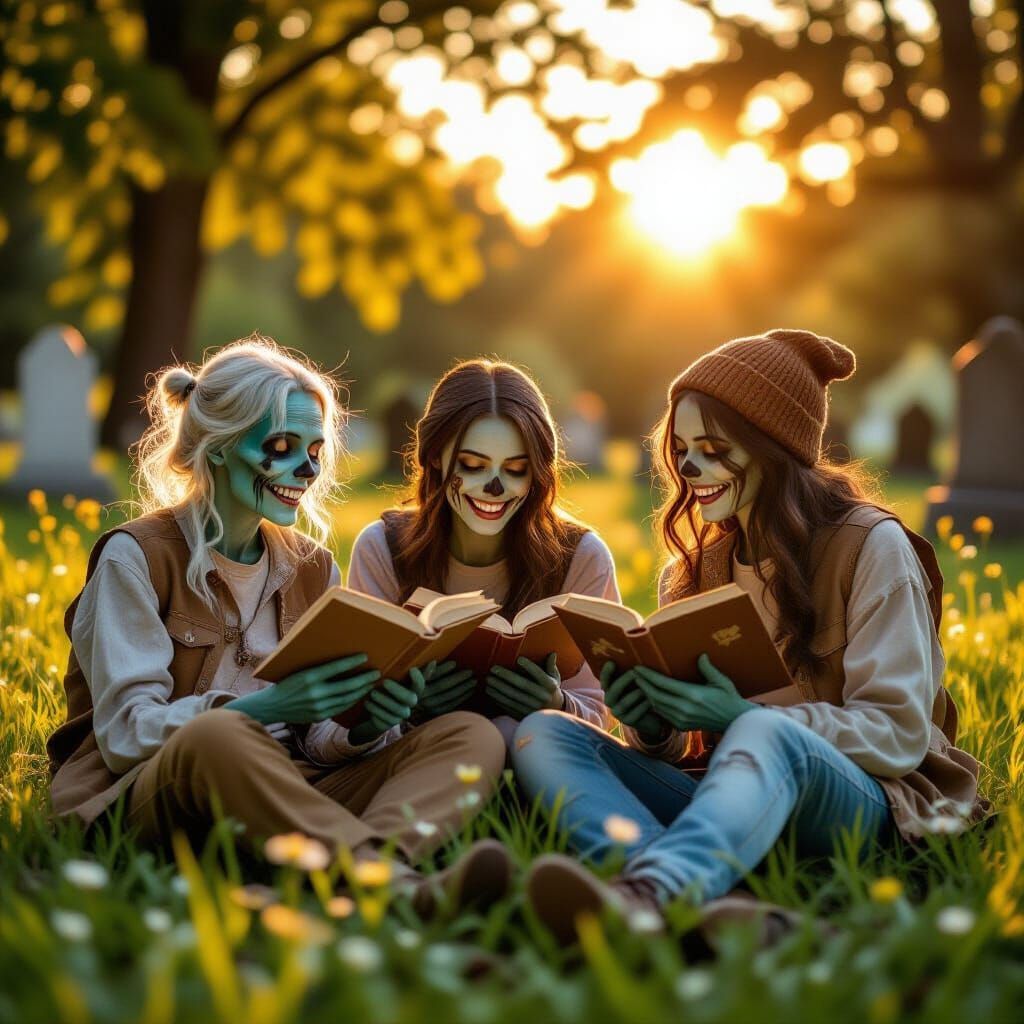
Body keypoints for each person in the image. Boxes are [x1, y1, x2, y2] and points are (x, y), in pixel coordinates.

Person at [511, 328, 987, 943]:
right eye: (680, 448)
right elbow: (685, 749)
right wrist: (653, 728)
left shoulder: (871, 547)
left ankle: (648, 892)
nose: (688, 468)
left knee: (766, 726)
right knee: (543, 732)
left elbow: (898, 732)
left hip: (863, 804)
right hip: (723, 798)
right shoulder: (690, 572)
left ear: (773, 447)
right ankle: (713, 907)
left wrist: (741, 716)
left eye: (711, 448)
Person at [47, 336, 510, 914]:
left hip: (287, 787)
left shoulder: (312, 567)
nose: (307, 470)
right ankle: (386, 884)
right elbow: (124, 737)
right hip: (151, 799)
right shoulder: (135, 556)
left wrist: (366, 723)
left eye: (316, 450)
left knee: (470, 736)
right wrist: (266, 708)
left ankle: (344, 882)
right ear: (217, 447)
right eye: (283, 447)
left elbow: (316, 736)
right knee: (220, 735)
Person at [347, 359, 619, 743]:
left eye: (516, 469)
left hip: (541, 759)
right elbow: (354, 715)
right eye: (473, 465)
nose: (494, 488)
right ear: (435, 457)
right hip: (429, 759)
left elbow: (605, 708)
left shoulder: (582, 555)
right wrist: (411, 713)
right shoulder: (382, 548)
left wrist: (558, 705)